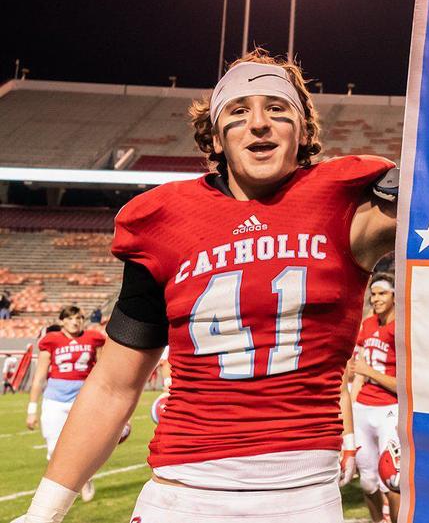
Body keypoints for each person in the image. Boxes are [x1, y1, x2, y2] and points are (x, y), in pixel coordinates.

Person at [16, 50, 399, 523]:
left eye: (278, 109)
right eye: (239, 112)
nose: (259, 123)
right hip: (182, 494)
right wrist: (43, 513)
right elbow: (114, 386)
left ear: (303, 133)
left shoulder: (346, 204)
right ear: (215, 139)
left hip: (301, 496)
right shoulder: (162, 220)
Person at [24, 306, 105, 502]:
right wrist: (32, 409)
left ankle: (85, 478)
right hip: (55, 398)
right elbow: (40, 375)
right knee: (53, 448)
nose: (75, 322)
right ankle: (62, 490)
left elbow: (103, 370)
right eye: (69, 318)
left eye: (78, 318)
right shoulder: (50, 340)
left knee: (85, 444)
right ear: (62, 322)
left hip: (83, 397)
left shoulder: (94, 338)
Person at [349, 273, 400, 523]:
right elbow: (357, 372)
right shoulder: (368, 324)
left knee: (391, 479)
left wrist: (368, 372)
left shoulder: (400, 329)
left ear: (394, 295)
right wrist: (351, 405)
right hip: (363, 409)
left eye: (382, 293)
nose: (376, 298)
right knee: (367, 481)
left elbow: (404, 385)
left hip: (389, 409)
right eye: (374, 293)